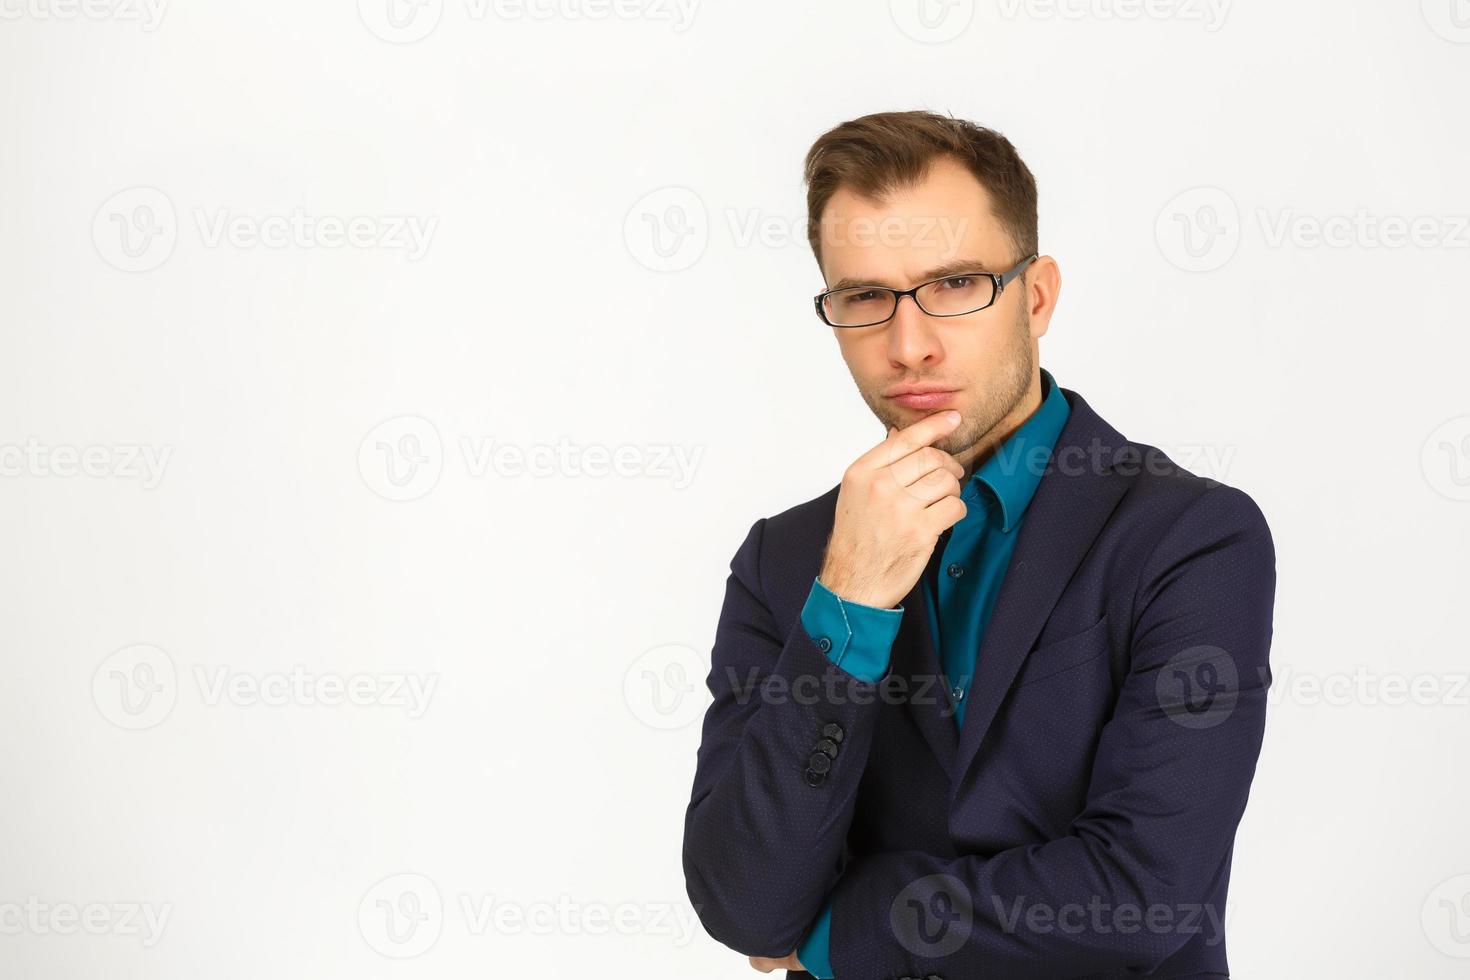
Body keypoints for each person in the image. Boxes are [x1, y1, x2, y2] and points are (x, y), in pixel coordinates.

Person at [681, 110, 1276, 979]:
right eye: (865, 298)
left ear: (1035, 298)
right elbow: (744, 903)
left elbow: (1144, 900)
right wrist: (846, 604)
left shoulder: (1189, 540)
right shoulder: (785, 560)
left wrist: (842, 931)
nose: (908, 345)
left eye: (955, 285)